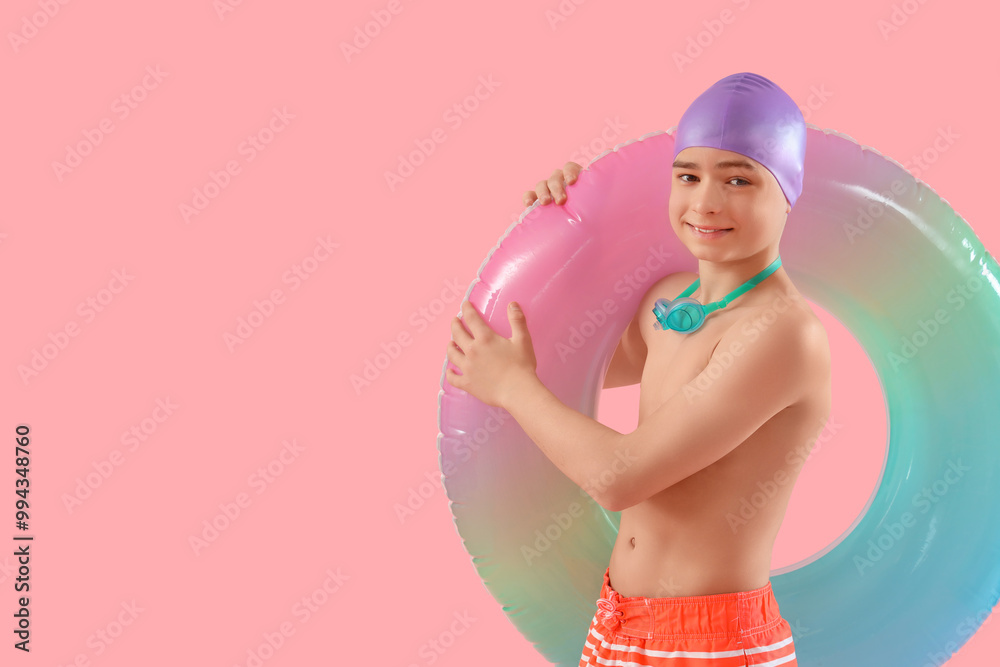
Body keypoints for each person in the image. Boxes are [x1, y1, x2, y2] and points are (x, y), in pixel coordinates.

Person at [445, 72, 831, 666]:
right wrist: (564, 226)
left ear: (788, 191)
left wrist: (513, 388)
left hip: (713, 643)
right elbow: (569, 368)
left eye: (739, 179)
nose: (705, 202)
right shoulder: (675, 300)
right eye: (689, 177)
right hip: (617, 623)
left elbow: (619, 477)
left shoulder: (782, 334)